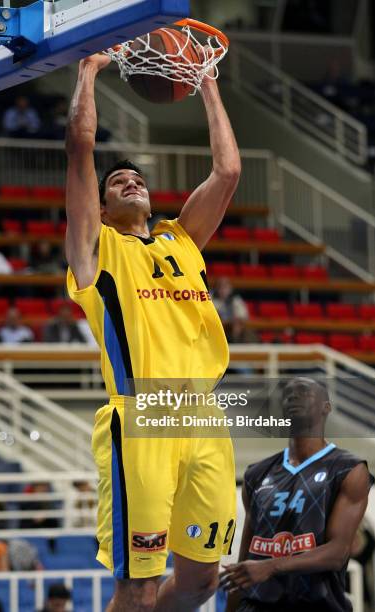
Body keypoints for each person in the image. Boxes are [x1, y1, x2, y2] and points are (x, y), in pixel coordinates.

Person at [65, 50, 241, 611]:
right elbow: (80, 149)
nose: (128, 181)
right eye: (117, 182)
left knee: (201, 583)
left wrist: (207, 84)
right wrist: (88, 73)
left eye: (135, 177)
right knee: (138, 588)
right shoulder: (96, 251)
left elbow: (228, 171)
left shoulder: (181, 239)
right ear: (103, 203)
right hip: (141, 420)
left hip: (204, 417)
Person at [221, 377, 374, 612]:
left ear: (326, 407)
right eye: (288, 393)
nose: (293, 396)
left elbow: (338, 552)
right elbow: (245, 564)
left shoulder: (348, 469)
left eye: (303, 392)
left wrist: (272, 566)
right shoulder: (257, 473)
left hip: (317, 605)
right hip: (257, 605)